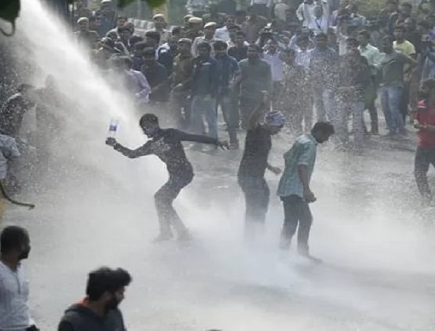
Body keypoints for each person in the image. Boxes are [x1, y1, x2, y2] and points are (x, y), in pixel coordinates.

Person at [105, 114, 227, 242]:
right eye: (143, 128)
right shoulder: (151, 145)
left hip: (185, 173)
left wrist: (217, 141)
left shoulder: (171, 134)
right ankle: (171, 232)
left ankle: (175, 232)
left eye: (147, 127)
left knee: (161, 199)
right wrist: (116, 145)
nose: (145, 131)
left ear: (155, 125)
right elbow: (132, 154)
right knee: (162, 200)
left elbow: (194, 137)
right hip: (174, 176)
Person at [276, 122, 335, 261]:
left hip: (286, 187)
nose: (326, 140)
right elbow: (302, 166)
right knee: (306, 220)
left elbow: (286, 156)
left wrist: (289, 173)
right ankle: (302, 253)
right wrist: (306, 189)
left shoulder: (301, 138)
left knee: (290, 221)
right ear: (319, 132)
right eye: (327, 136)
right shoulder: (309, 145)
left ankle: (282, 252)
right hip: (295, 190)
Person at [237, 92, 284, 240]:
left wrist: (271, 168)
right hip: (248, 175)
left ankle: (259, 231)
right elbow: (251, 121)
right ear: (271, 124)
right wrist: (261, 106)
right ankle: (250, 237)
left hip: (258, 175)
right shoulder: (256, 131)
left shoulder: (267, 136)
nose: (279, 130)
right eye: (279, 127)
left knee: (263, 202)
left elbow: (260, 156)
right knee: (253, 207)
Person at [58, 267, 132, 331]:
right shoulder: (71, 323)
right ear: (106, 295)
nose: (123, 297)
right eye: (120, 293)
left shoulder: (115, 314)